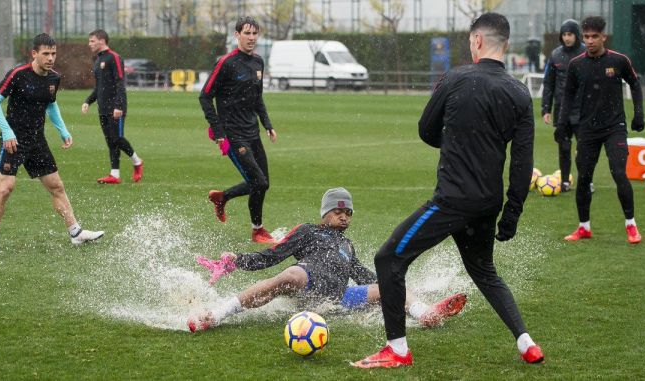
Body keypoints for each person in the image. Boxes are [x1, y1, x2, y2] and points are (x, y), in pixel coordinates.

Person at [353, 13, 544, 369]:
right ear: (506, 44)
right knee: (484, 271)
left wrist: (457, 141)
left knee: (388, 259)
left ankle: (397, 350)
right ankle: (526, 342)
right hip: (488, 204)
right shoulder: (519, 92)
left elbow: (426, 130)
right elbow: (522, 163)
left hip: (452, 203)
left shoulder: (457, 78)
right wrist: (512, 213)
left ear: (476, 41)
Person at [187, 188, 467, 333]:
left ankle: (426, 313)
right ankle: (217, 314)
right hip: (307, 285)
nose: (344, 216)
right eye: (337, 211)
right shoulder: (308, 231)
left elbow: (365, 276)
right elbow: (273, 256)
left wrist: (396, 287)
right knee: (290, 276)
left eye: (348, 213)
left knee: (389, 287)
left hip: (339, 296)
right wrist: (236, 261)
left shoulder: (347, 245)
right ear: (325, 213)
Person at [0, 33, 104, 253]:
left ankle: (75, 233)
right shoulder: (18, 74)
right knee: (6, 188)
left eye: (53, 53)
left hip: (37, 141)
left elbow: (51, 105)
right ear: (34, 54)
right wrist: (7, 132)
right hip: (13, 140)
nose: (50, 58)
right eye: (46, 53)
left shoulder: (53, 78)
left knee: (57, 187)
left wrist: (63, 130)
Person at [559, 16, 644, 244]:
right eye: (586, 36)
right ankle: (583, 227)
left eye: (594, 36)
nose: (590, 41)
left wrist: (639, 114)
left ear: (603, 37)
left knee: (619, 172)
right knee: (584, 178)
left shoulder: (619, 61)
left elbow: (635, 84)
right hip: (587, 130)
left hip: (614, 128)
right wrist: (562, 123)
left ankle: (631, 226)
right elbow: (567, 95)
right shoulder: (576, 64)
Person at [199, 16, 278, 244]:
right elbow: (205, 96)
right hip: (233, 134)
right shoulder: (226, 63)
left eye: (255, 34)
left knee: (263, 182)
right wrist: (218, 132)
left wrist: (267, 124)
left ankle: (222, 197)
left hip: (252, 132)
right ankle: (258, 230)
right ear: (237, 35)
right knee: (258, 182)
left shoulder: (258, 63)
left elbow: (257, 98)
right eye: (247, 33)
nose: (251, 38)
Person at [82, 29, 144, 185]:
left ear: (102, 41)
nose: (89, 44)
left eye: (92, 41)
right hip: (102, 108)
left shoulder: (114, 58)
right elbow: (99, 87)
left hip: (116, 108)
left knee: (117, 138)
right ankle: (114, 175)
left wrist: (119, 106)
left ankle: (137, 161)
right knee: (110, 140)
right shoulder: (97, 61)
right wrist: (88, 101)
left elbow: (120, 83)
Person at [542, 19, 589, 193]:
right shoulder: (555, 55)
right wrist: (546, 109)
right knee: (564, 147)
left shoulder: (587, 52)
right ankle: (564, 182)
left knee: (584, 149)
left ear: (576, 35)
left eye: (570, 34)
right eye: (564, 34)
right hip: (562, 111)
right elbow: (549, 83)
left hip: (583, 110)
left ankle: (587, 182)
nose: (567, 38)